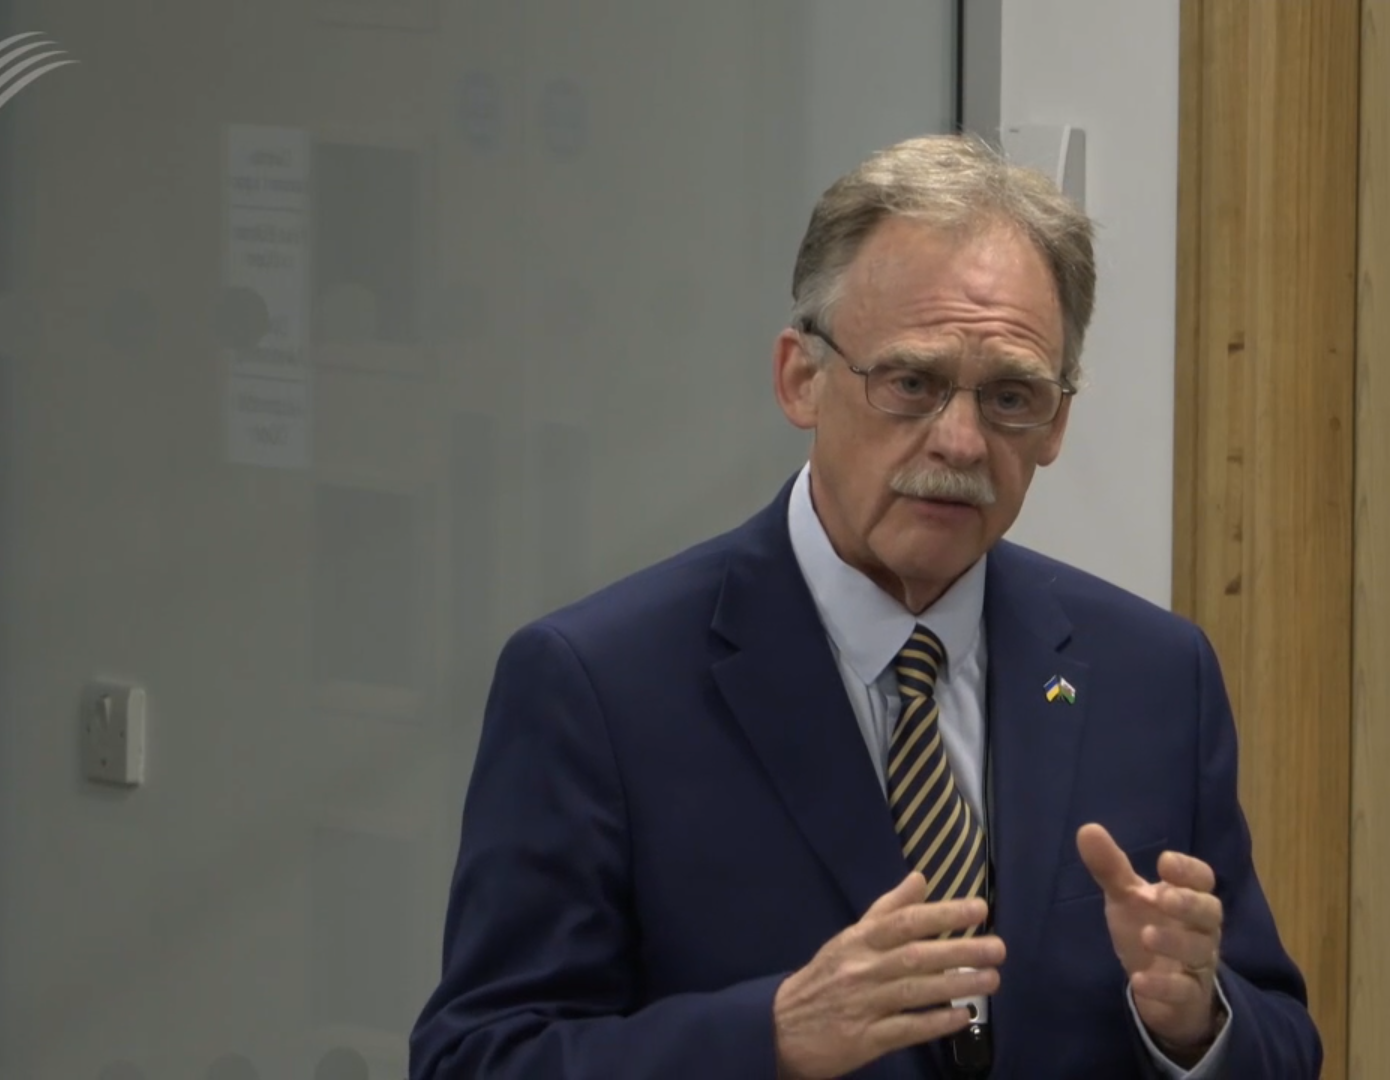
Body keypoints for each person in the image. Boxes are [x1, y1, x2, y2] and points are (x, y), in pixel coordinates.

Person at [409, 134, 1321, 1078]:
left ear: (1055, 423)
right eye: (911, 383)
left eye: (1011, 397)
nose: (961, 441)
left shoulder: (1154, 676)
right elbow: (478, 1059)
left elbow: (1283, 1041)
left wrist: (1193, 1023)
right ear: (801, 378)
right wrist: (771, 1036)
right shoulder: (599, 686)